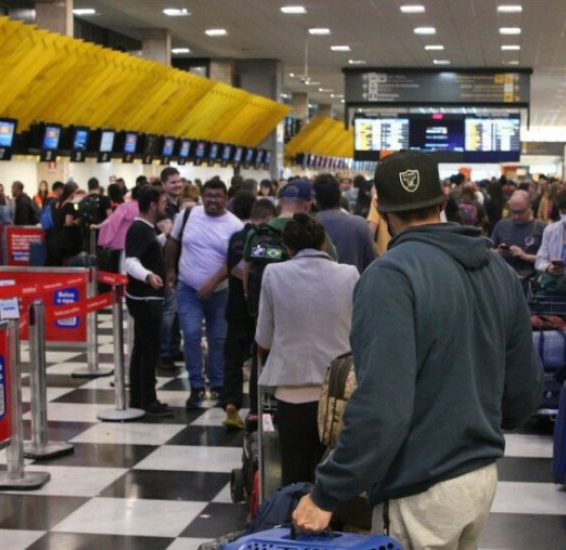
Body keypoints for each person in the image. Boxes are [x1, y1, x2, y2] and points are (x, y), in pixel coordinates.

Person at [292, 150, 542, 548]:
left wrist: (326, 492)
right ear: (442, 203)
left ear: (382, 209)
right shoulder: (499, 271)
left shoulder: (390, 276)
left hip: (419, 484)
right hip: (479, 477)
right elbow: (524, 392)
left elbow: (381, 405)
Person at [256, 212, 360, 485]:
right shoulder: (350, 275)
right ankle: (333, 525)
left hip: (292, 392)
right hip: (339, 392)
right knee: (334, 476)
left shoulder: (274, 273)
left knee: (294, 473)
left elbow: (263, 338)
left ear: (288, 247)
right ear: (324, 244)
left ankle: (294, 524)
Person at [165, 178, 244, 409]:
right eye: (209, 195)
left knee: (218, 338)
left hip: (219, 292)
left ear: (226, 198)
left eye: (218, 196)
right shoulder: (188, 215)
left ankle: (218, 383)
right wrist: (170, 269)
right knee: (190, 335)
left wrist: (213, 281)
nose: (213, 200)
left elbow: (234, 261)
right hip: (187, 288)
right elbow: (172, 242)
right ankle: (196, 386)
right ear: (202, 196)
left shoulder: (235, 225)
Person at [222, 196, 276, 429]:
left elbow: (233, 268)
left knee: (232, 357)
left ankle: (230, 403)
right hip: (257, 308)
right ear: (268, 218)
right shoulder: (268, 240)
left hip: (235, 306)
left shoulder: (235, 237)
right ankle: (256, 409)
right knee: (258, 357)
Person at [123, 185, 172, 417]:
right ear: (152, 204)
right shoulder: (139, 229)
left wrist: (164, 236)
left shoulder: (145, 229)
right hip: (145, 298)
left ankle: (138, 397)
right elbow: (131, 261)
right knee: (149, 349)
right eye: (162, 202)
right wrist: (149, 276)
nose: (165, 206)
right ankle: (148, 400)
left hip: (145, 297)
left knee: (142, 347)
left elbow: (148, 250)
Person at [312, 174, 378, 273]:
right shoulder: (359, 225)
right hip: (353, 286)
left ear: (316, 200)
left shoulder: (308, 224)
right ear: (339, 196)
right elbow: (371, 264)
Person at [160, 167, 185, 368]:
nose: (177, 185)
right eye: (172, 182)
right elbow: (170, 233)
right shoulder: (163, 208)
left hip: (179, 264)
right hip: (166, 264)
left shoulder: (179, 208)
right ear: (164, 185)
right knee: (169, 310)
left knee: (176, 310)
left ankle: (174, 348)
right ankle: (164, 352)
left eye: (179, 181)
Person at [490, 190, 545, 279]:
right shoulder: (501, 225)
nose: (516, 216)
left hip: (530, 280)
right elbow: (487, 252)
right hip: (503, 277)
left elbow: (547, 261)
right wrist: (498, 252)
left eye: (521, 212)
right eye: (513, 212)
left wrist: (525, 256)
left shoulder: (541, 228)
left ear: (530, 207)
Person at [48, 181, 81, 266]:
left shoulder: (57, 202)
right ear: (72, 193)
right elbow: (68, 222)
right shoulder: (69, 204)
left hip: (55, 237)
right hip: (67, 239)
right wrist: (76, 222)